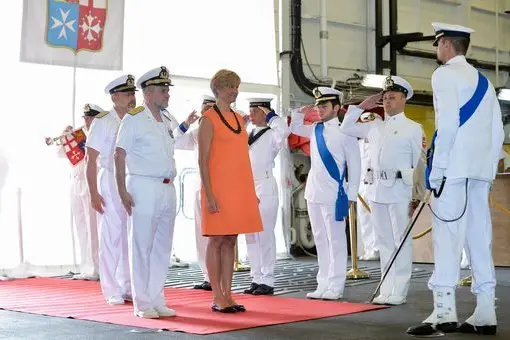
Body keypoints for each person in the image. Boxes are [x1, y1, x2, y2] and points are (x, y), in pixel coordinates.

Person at [407, 23, 504, 336]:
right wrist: (488, 169)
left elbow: (448, 124)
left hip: (454, 170)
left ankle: (444, 312)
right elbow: (498, 131)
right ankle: (486, 311)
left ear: (446, 44)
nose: (438, 51)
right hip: (479, 172)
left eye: (438, 45)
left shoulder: (444, 74)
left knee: (447, 237)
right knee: (479, 237)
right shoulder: (485, 82)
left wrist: (438, 169)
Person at [114, 66, 198, 319]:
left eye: (167, 90)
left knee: (163, 247)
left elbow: (175, 142)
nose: (167, 95)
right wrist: (121, 190)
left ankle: (157, 297)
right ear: (148, 93)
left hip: (166, 188)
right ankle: (142, 302)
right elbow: (119, 153)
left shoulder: (166, 119)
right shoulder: (134, 118)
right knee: (142, 246)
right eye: (163, 90)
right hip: (143, 186)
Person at [340, 76, 425, 305]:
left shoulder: (413, 129)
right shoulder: (374, 126)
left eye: (393, 97)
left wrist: (417, 194)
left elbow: (419, 163)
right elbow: (346, 127)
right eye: (385, 98)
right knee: (384, 240)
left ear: (403, 99)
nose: (388, 102)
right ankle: (386, 288)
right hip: (376, 189)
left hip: (399, 189)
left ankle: (400, 288)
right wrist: (360, 107)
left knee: (401, 240)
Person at [198, 69, 263, 312]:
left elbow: (242, 158)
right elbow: (202, 160)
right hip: (218, 188)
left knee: (231, 240)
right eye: (229, 86)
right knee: (216, 240)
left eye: (236, 86)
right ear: (218, 90)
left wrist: (250, 191)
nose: (234, 90)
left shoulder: (238, 118)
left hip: (238, 188)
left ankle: (228, 293)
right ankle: (217, 295)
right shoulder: (208, 119)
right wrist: (210, 194)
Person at [290, 87, 361, 300]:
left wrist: (351, 195)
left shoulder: (346, 133)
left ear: (337, 108)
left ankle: (336, 285)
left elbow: (355, 165)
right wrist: (300, 112)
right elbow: (294, 127)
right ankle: (323, 283)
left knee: (336, 240)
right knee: (320, 239)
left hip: (334, 193)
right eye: (318, 105)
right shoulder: (315, 129)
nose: (320, 109)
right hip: (313, 192)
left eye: (324, 105)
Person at [85, 75, 136, 305]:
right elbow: (91, 159)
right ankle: (111, 288)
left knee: (129, 236)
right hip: (110, 180)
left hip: (132, 179)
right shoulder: (104, 121)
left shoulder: (136, 119)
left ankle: (128, 286)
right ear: (114, 97)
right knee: (111, 235)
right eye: (127, 93)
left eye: (133, 93)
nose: (132, 97)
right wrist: (94, 192)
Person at [243, 98, 290, 296]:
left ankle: (268, 279)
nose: (251, 115)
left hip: (265, 185)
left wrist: (272, 116)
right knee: (251, 235)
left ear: (265, 112)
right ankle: (256, 277)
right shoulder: (248, 134)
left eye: (255, 111)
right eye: (250, 111)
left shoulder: (272, 134)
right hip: (247, 186)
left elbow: (284, 131)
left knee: (265, 234)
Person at [55, 104, 102, 280]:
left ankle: (96, 267)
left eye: (90, 117)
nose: (87, 121)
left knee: (94, 228)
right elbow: (61, 154)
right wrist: (65, 136)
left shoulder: (100, 136)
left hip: (92, 184)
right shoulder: (78, 136)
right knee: (81, 227)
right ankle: (86, 266)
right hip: (76, 185)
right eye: (85, 118)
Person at [175, 94, 216, 291]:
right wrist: (185, 123)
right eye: (204, 108)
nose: (206, 111)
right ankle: (207, 276)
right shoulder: (197, 131)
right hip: (200, 185)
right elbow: (175, 141)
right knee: (202, 232)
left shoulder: (224, 129)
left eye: (210, 107)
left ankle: (219, 275)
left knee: (219, 234)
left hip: (219, 184)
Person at [356, 111, 382, 261]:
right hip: (362, 185)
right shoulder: (358, 144)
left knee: (377, 218)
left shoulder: (380, 143)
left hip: (377, 183)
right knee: (364, 218)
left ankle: (377, 248)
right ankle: (368, 248)